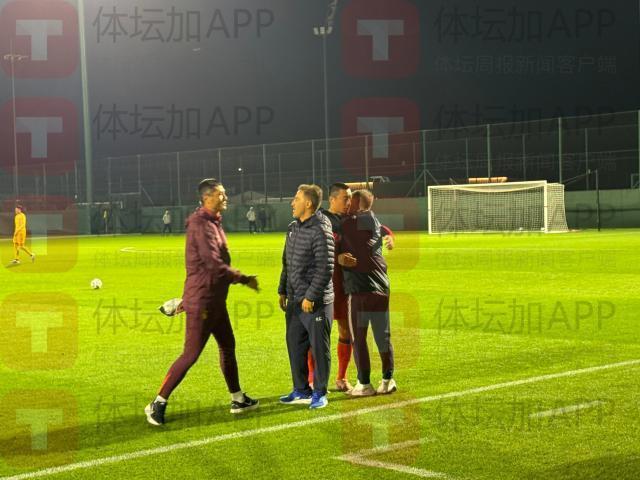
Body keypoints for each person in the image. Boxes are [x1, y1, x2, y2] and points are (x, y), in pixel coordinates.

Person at [145, 178, 260, 426]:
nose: (225, 197)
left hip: (214, 301)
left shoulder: (212, 222)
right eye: (221, 194)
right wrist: (243, 279)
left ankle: (238, 398)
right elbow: (213, 264)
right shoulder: (201, 225)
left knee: (227, 346)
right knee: (191, 354)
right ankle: (157, 403)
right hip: (204, 302)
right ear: (207, 197)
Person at [278, 184, 334, 409]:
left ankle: (320, 392)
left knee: (319, 349)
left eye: (296, 198)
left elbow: (325, 267)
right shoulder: (293, 228)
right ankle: (301, 390)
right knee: (295, 346)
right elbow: (286, 262)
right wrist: (282, 289)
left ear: (308, 203)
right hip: (294, 301)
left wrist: (310, 296)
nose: (292, 203)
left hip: (315, 303)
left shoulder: (320, 229)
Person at [338, 189, 397, 397]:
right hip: (382, 287)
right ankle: (388, 380)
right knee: (383, 335)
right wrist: (390, 236)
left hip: (360, 289)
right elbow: (384, 230)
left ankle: (364, 384)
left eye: (349, 200)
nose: (346, 205)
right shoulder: (374, 221)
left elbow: (328, 226)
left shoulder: (347, 223)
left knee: (359, 337)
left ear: (355, 202)